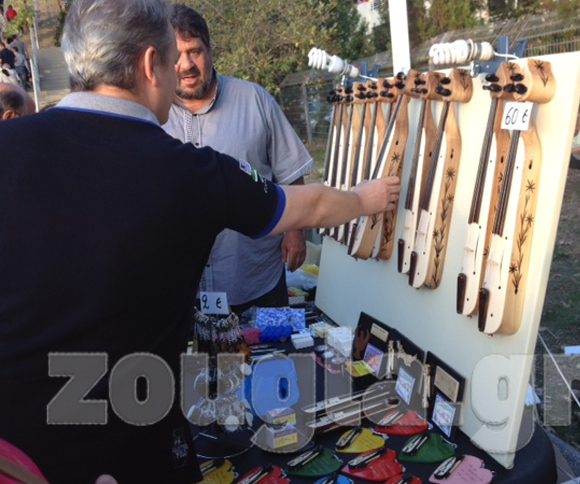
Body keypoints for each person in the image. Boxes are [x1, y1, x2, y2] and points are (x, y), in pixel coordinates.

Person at [0, 1, 400, 484]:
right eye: (174, 60)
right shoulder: (189, 172)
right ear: (151, 64)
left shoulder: (10, 144)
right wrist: (365, 198)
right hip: (134, 449)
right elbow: (309, 206)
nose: (181, 72)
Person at [163, 4, 312, 315]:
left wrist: (295, 231)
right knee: (195, 350)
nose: (186, 65)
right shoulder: (152, 115)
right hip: (182, 287)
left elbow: (290, 172)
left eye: (195, 51)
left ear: (209, 50)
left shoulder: (255, 100)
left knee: (273, 347)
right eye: (176, 55)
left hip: (257, 277)